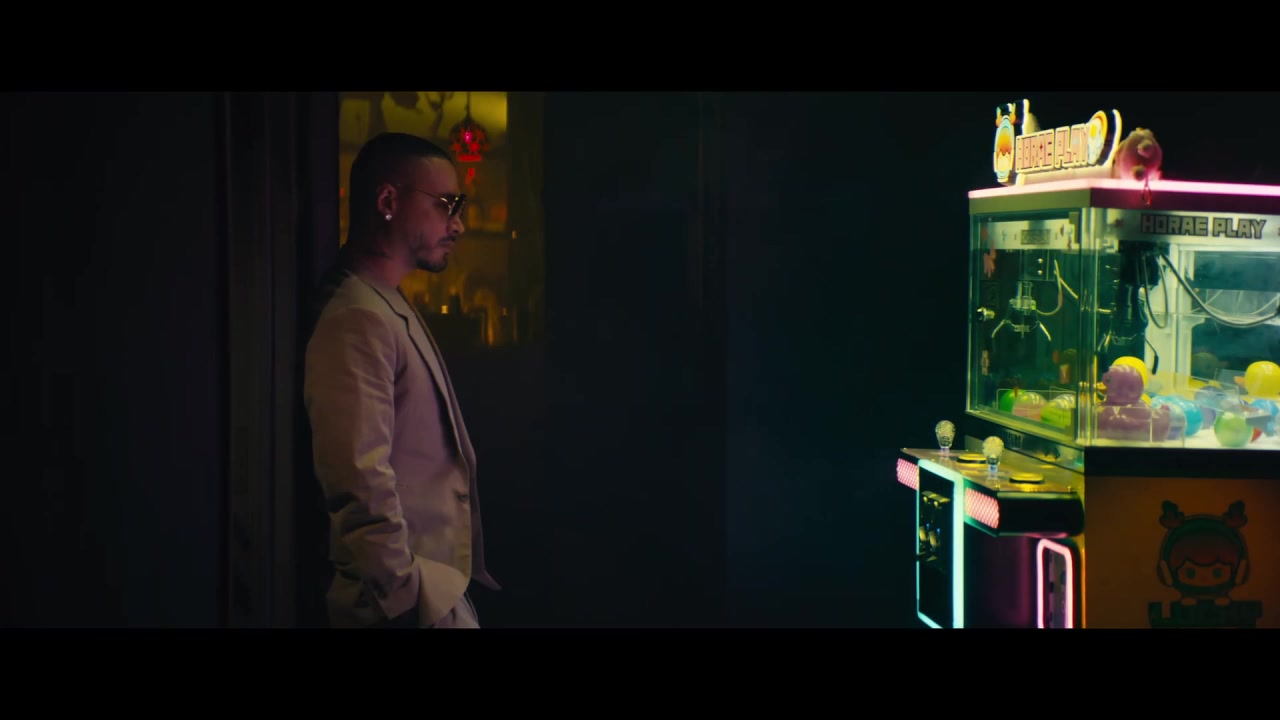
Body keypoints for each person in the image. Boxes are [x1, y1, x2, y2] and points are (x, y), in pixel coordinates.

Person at [303, 132, 499, 628]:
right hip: (406, 602)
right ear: (388, 201)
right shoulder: (358, 316)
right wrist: (406, 597)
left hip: (430, 589)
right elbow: (358, 483)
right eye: (446, 205)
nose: (458, 224)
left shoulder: (380, 301)